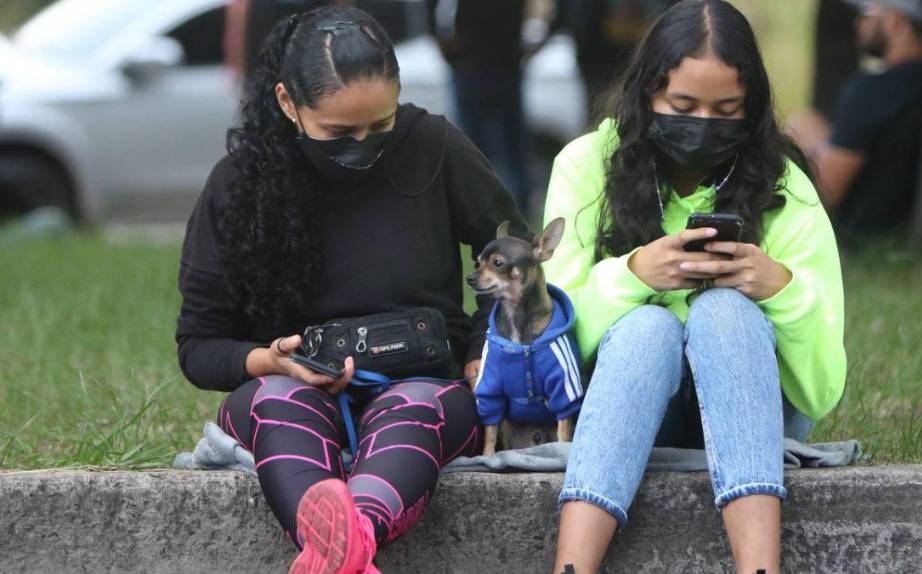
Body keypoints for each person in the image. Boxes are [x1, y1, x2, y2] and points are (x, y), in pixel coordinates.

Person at [176, 6, 528, 573]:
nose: (365, 144)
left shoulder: (435, 145)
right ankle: (350, 544)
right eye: (340, 133)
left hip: (425, 383)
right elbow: (198, 346)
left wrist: (481, 353)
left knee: (414, 408)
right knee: (278, 402)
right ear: (289, 103)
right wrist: (270, 360)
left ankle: (348, 540)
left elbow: (515, 260)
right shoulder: (239, 184)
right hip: (292, 393)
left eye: (381, 126)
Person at [542, 2, 846, 573]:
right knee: (649, 326)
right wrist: (632, 277)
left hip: (748, 411)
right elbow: (549, 343)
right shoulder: (585, 165)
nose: (703, 122)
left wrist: (777, 289)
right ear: (645, 95)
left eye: (726, 110)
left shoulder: (787, 187)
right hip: (626, 404)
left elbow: (823, 389)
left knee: (725, 311)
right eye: (683, 107)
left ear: (752, 110)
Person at [789, 0, 922, 244]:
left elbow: (825, 193)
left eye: (867, 14)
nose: (859, 23)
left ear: (896, 21)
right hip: (904, 229)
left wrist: (806, 149)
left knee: (803, 124)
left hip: (864, 236)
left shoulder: (874, 90)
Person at [426, 0, 532, 217]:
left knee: (502, 147)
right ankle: (484, 209)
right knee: (479, 148)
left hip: (497, 62)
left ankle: (505, 210)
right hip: (480, 62)